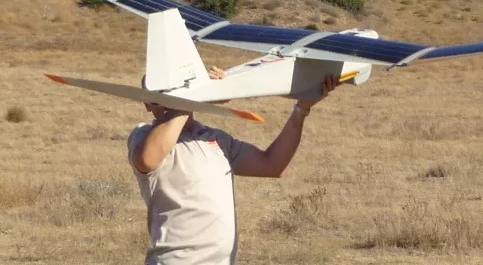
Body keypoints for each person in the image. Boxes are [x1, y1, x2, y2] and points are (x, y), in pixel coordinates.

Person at [127, 67, 335, 265]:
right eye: (160, 93)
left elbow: (272, 165)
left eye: (171, 89)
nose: (168, 96)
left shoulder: (216, 139)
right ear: (147, 103)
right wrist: (190, 97)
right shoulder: (143, 135)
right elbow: (147, 160)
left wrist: (302, 108)